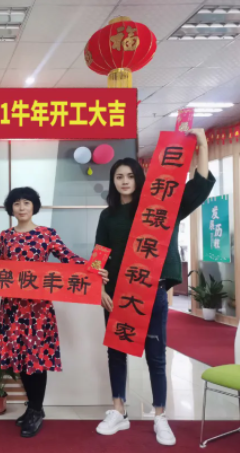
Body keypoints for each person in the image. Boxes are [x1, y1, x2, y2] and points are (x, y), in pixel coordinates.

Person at [94, 129, 215, 446]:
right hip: (116, 293)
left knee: (156, 356)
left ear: (139, 178)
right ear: (113, 181)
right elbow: (99, 254)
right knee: (116, 352)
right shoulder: (108, 215)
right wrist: (99, 289)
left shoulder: (161, 207)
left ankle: (160, 415)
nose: (124, 181)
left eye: (129, 176)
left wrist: (202, 145)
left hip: (152, 292)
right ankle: (119, 410)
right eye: (118, 176)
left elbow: (199, 186)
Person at [0, 187, 108, 438]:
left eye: (26, 203)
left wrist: (94, 269)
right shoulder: (6, 236)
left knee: (36, 359)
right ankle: (34, 407)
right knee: (20, 358)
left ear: (34, 206)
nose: (21, 208)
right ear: (11, 208)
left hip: (38, 309)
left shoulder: (46, 234)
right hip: (12, 307)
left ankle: (36, 410)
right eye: (16, 203)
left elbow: (67, 257)